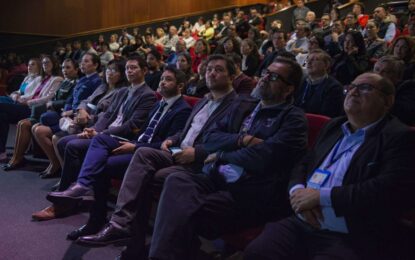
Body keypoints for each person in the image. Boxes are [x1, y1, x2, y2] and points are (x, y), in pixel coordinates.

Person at [74, 55, 239, 260]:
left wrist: (198, 153)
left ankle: (126, 232)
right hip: (175, 151)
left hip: (197, 161)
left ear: (232, 75)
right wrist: (172, 139)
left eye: (218, 70)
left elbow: (230, 140)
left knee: (145, 165)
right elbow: (187, 131)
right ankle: (123, 232)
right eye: (209, 69)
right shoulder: (203, 102)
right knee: (125, 156)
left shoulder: (237, 105)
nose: (211, 73)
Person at [146, 57, 308, 259]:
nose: (265, 78)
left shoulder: (293, 118)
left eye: (274, 77)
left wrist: (222, 154)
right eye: (266, 72)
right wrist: (242, 139)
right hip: (217, 177)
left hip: (250, 190)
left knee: (182, 209)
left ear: (289, 89)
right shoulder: (246, 105)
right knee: (176, 181)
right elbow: (211, 136)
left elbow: (264, 157)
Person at [244, 72, 415, 259]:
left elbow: (388, 189)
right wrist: (298, 192)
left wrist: (321, 197)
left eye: (365, 87)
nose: (354, 92)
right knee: (258, 251)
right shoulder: (334, 126)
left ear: (388, 101)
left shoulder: (399, 136)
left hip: (350, 233)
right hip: (302, 218)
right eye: (351, 87)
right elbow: (304, 162)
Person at [34, 67, 191, 228]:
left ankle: (94, 218)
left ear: (180, 86)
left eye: (168, 79)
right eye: (162, 78)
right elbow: (118, 119)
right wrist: (97, 130)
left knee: (102, 161)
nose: (163, 82)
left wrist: (134, 145)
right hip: (134, 141)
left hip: (147, 150)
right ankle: (81, 188)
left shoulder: (182, 109)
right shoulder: (158, 103)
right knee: (99, 139)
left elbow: (168, 143)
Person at [50, 56, 156, 197]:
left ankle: (69, 192)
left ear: (144, 71)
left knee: (72, 146)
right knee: (63, 142)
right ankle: (76, 186)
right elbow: (107, 116)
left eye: (134, 68)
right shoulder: (123, 91)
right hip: (104, 133)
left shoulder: (148, 95)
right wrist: (94, 129)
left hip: (120, 137)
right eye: (127, 68)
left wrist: (100, 134)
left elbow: (131, 125)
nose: (129, 71)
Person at [33, 59, 124, 179]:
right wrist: (81, 111)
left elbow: (108, 115)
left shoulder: (121, 91)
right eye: (108, 69)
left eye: (114, 70)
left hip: (95, 125)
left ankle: (68, 176)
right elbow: (85, 101)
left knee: (54, 135)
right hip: (81, 119)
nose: (109, 73)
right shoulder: (102, 86)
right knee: (39, 126)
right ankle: (62, 170)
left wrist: (86, 117)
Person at [0, 55, 63, 168]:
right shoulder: (43, 78)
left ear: (54, 64)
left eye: (47, 62)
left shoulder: (57, 79)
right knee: (2, 115)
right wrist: (19, 97)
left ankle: (9, 155)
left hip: (35, 109)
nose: (45, 65)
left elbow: (47, 98)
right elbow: (29, 94)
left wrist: (26, 102)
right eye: (44, 63)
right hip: (27, 104)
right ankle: (3, 153)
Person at [295, 49, 343, 117]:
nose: (309, 62)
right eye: (308, 59)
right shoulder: (302, 81)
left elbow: (328, 115)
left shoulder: (334, 87)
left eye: (315, 59)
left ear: (326, 65)